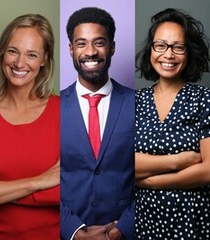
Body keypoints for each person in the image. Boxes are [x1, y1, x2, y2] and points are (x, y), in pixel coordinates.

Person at [133, 8, 210, 239]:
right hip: (144, 220)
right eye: (161, 45)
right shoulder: (133, 102)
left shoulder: (204, 99)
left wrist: (154, 182)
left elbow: (208, 170)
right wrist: (179, 160)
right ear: (151, 51)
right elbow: (122, 164)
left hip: (192, 220)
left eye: (178, 47)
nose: (169, 55)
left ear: (188, 53)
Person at [59, 7, 134, 240]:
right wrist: (73, 231)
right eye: (81, 44)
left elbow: (149, 180)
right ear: (71, 49)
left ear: (112, 47)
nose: (90, 52)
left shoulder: (138, 103)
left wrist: (123, 229)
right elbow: (42, 182)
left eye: (99, 43)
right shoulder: (51, 108)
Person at [0, 14, 59, 239]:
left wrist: (3, 191)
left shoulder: (62, 111)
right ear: (2, 52)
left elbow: (67, 191)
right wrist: (41, 181)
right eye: (13, 51)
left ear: (44, 59)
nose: (19, 63)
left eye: (31, 54)